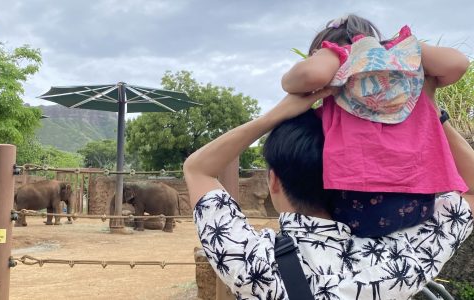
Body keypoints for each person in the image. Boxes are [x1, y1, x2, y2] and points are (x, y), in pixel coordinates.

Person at [183, 90, 473, 299]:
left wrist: (274, 116)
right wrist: (431, 111)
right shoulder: (397, 262)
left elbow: (198, 169)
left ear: (273, 181)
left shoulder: (254, 264)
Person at [280, 14, 470, 237]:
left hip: (356, 207)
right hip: (421, 202)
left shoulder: (337, 61)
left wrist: (326, 55)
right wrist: (410, 48)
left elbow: (310, 75)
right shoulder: (404, 73)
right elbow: (458, 63)